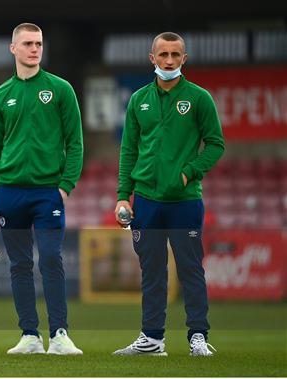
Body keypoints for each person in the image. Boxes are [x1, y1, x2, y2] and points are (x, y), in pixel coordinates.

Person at [113, 32, 225, 356]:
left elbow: (216, 144)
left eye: (176, 55)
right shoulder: (138, 100)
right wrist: (124, 195)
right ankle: (152, 339)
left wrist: (189, 172)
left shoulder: (200, 98)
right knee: (152, 271)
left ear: (184, 59)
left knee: (191, 269)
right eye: (163, 55)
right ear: (153, 58)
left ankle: (198, 337)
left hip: (185, 201)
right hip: (146, 200)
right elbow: (129, 151)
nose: (170, 60)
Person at [0, 23, 84, 355]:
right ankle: (29, 335)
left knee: (52, 259)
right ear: (13, 48)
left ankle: (59, 334)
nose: (34, 48)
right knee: (19, 265)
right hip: (9, 193)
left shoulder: (60, 89)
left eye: (38, 43)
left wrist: (65, 187)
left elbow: (75, 142)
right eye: (27, 43)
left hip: (47, 194)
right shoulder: (0, 96)